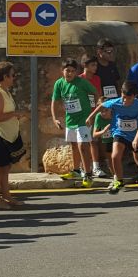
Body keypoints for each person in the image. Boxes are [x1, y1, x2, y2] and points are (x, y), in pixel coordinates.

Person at [87, 81, 138, 195]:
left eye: (128, 98)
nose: (124, 101)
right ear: (121, 93)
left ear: (134, 96)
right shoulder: (116, 102)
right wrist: (90, 117)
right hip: (120, 133)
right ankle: (119, 181)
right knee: (115, 156)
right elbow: (101, 106)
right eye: (123, 97)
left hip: (135, 136)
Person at [51, 58, 97, 188]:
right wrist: (55, 118)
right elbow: (54, 102)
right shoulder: (59, 84)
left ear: (76, 72)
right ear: (62, 71)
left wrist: (94, 112)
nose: (69, 73)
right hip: (70, 120)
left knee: (83, 146)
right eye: (67, 71)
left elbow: (95, 93)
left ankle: (88, 174)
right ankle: (76, 171)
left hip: (84, 119)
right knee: (74, 146)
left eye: (72, 71)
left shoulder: (82, 82)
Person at [0, 61, 25, 209]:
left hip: (8, 135)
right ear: (4, 76)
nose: (14, 78)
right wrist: (15, 113)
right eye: (12, 75)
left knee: (6, 167)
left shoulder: (5, 92)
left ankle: (7, 196)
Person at [79, 55, 107, 178]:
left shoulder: (97, 78)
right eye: (92, 65)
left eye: (96, 65)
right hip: (83, 115)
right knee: (83, 142)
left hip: (95, 113)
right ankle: (83, 166)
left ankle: (96, 166)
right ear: (85, 66)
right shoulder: (79, 79)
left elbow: (99, 96)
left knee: (95, 141)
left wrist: (100, 110)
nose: (95, 67)